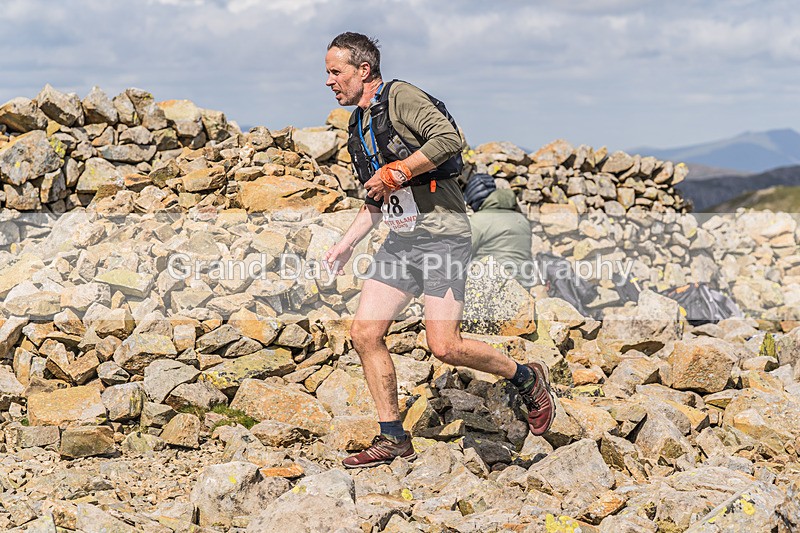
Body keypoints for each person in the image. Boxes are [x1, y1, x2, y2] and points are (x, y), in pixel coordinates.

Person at [322, 32, 555, 469]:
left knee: (444, 346)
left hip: (443, 235)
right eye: (328, 74)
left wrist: (400, 171)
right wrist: (345, 244)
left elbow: (449, 140)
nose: (330, 82)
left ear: (363, 70)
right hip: (400, 240)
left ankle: (526, 377)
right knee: (364, 334)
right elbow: (377, 198)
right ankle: (392, 438)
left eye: (336, 72)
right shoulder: (359, 124)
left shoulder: (401, 97)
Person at [465, 173, 535, 287]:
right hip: (523, 288)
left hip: (491, 288)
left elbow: (461, 254)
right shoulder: (522, 219)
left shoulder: (479, 220)